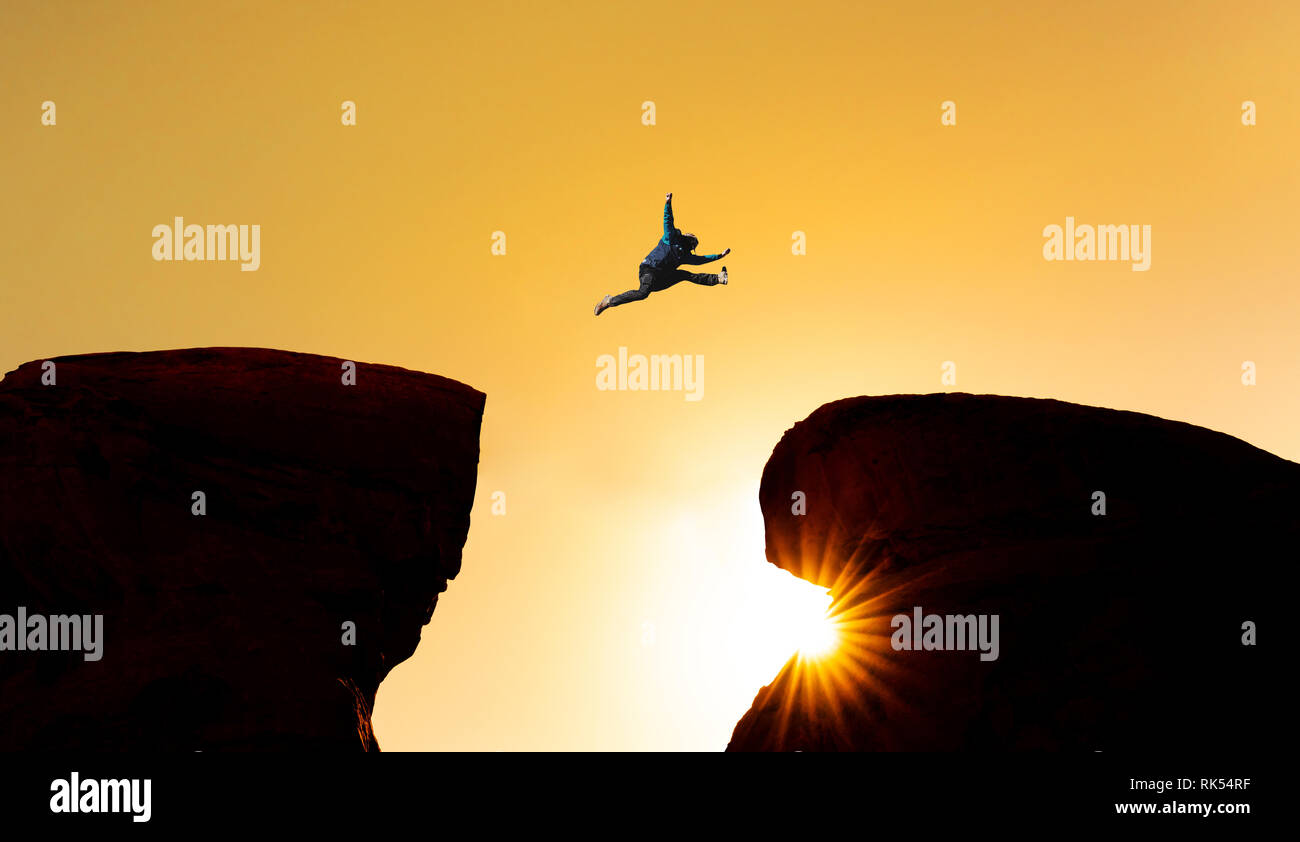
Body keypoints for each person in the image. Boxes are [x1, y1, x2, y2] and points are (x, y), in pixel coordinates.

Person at [594, 192, 730, 315]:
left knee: (684, 274)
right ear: (687, 240)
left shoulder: (684, 255)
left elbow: (701, 260)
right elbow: (668, 221)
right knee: (643, 293)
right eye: (693, 244)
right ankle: (609, 301)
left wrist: (719, 256)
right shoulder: (671, 238)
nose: (692, 247)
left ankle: (718, 278)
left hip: (660, 279)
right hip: (649, 270)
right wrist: (668, 203)